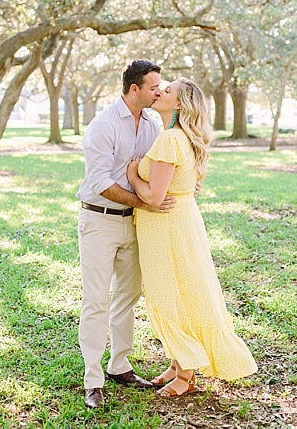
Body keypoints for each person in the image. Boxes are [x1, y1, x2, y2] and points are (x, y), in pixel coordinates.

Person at [126, 77, 257, 398]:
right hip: (181, 221)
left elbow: (155, 197)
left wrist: (132, 174)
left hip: (166, 226)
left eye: (167, 91)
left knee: (172, 293)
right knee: (182, 289)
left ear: (180, 104)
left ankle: (185, 375)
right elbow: (184, 184)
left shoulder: (171, 138)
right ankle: (178, 363)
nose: (159, 93)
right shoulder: (180, 137)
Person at [77, 59, 176, 409]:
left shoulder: (151, 123)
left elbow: (160, 167)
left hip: (136, 221)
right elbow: (99, 181)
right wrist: (143, 202)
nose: (158, 92)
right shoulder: (102, 125)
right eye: (153, 87)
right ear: (134, 89)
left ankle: (120, 365)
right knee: (96, 301)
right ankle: (93, 379)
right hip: (99, 220)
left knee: (128, 296)